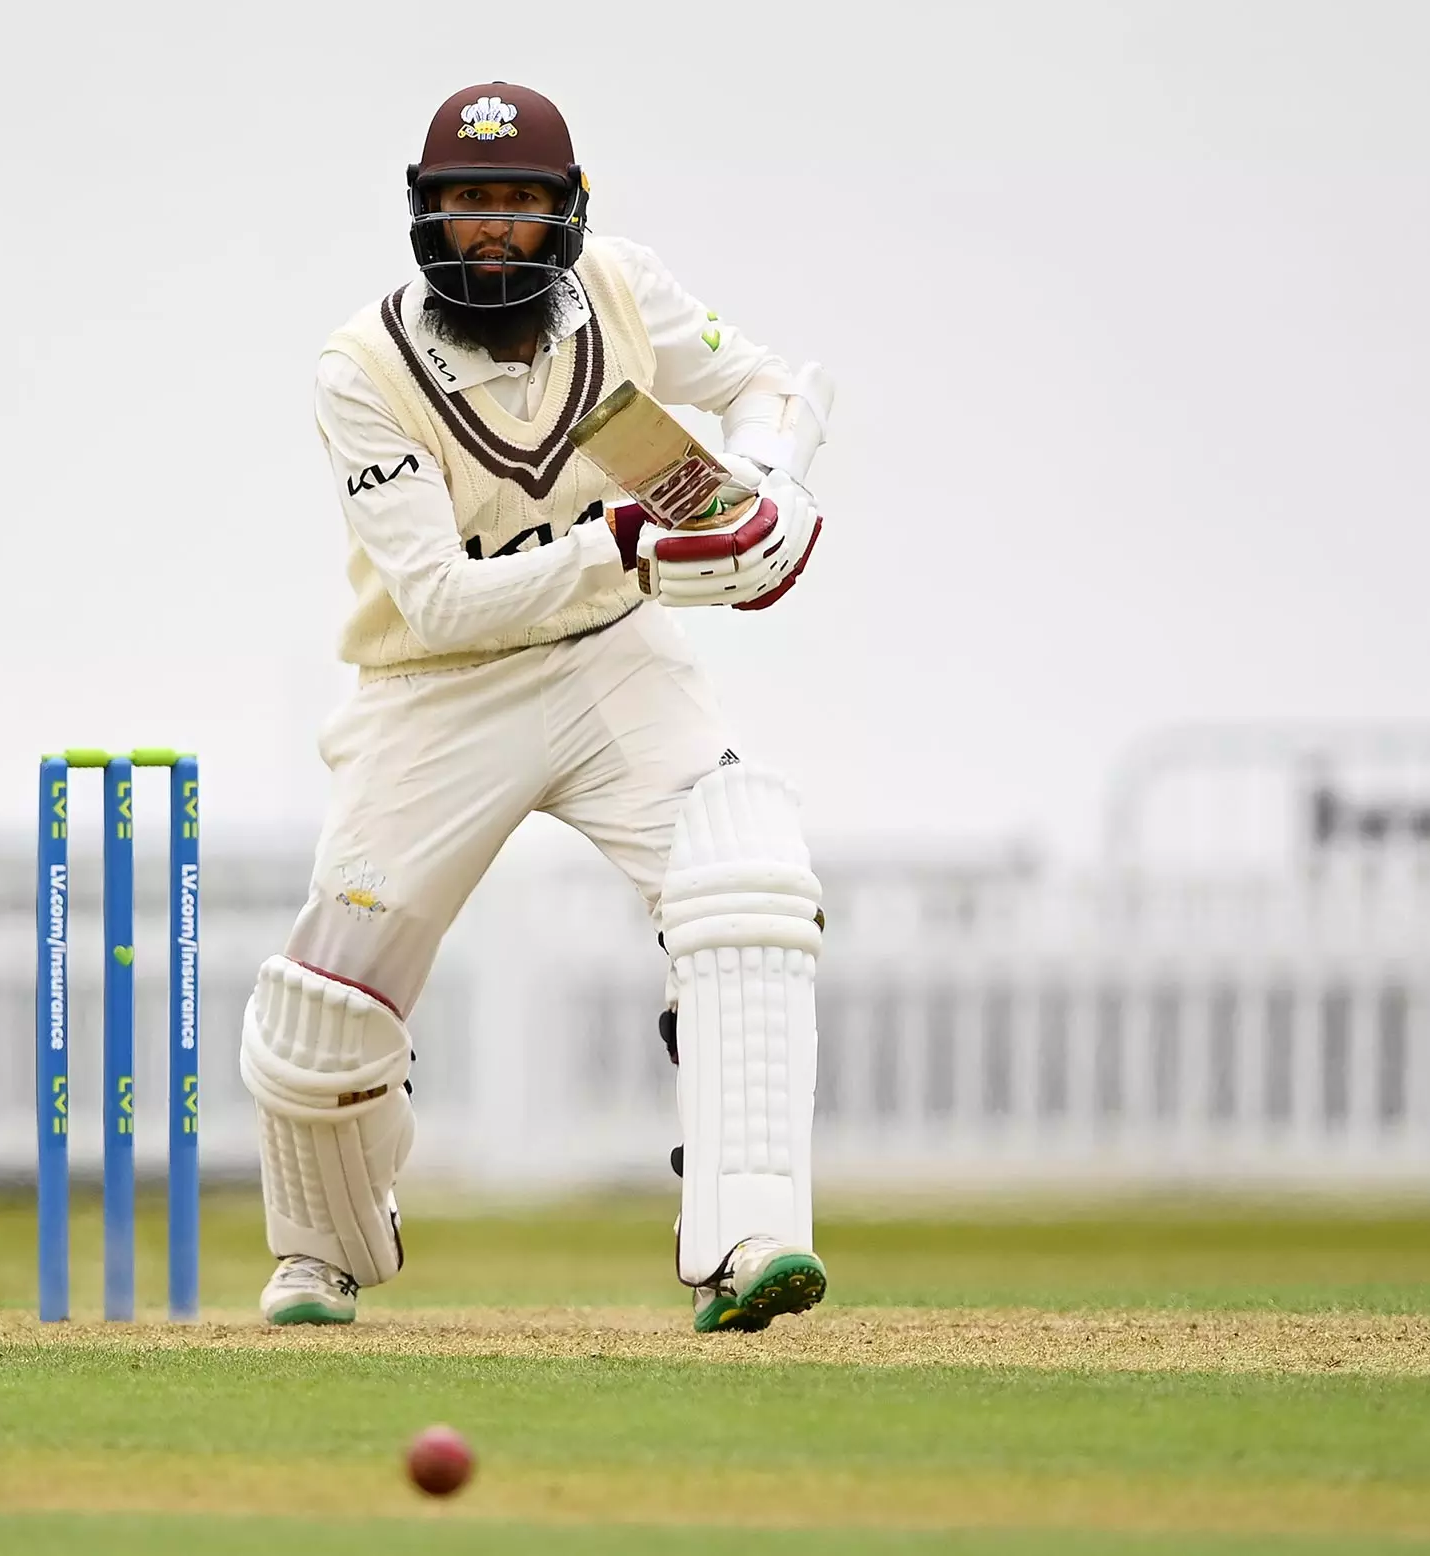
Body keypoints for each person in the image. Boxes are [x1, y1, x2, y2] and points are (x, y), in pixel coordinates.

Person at [238, 81, 835, 1333]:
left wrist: (764, 491)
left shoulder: (622, 286)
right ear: (426, 212)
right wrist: (626, 546)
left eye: (518, 200)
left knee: (747, 883)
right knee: (322, 1012)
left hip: (612, 662)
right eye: (469, 201)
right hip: (433, 689)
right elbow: (442, 601)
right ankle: (321, 1253)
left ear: (568, 209)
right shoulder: (363, 370)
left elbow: (764, 384)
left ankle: (746, 1237)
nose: (494, 229)